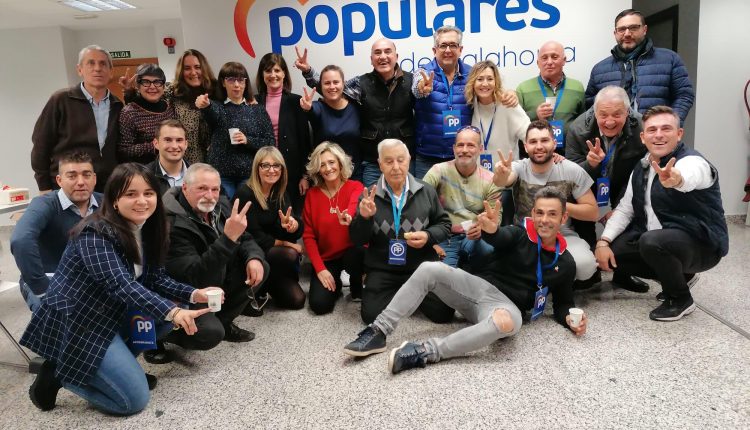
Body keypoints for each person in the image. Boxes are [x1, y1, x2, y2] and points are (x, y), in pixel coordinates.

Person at [20, 163, 221, 415]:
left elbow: (156, 278)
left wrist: (194, 294)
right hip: (80, 321)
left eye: (148, 193)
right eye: (131, 194)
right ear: (114, 199)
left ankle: (115, 370)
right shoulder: (94, 233)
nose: (142, 201)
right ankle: (60, 372)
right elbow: (121, 285)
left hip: (112, 312)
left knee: (168, 314)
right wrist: (174, 311)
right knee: (132, 401)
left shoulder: (149, 228)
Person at [343, 187, 586, 374]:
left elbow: (564, 302)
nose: (544, 220)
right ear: (532, 214)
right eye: (540, 213)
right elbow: (499, 237)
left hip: (506, 307)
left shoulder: (565, 262)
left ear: (564, 217)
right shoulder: (519, 234)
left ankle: (425, 352)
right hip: (477, 289)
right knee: (429, 268)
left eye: (552, 214)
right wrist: (491, 229)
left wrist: (570, 319)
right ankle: (378, 330)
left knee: (504, 323)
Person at [595, 106, 728, 321]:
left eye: (666, 128)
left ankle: (680, 299)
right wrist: (603, 242)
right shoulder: (641, 166)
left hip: (702, 245)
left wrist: (677, 179)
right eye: (652, 130)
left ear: (679, 134)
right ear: (643, 137)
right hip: (661, 238)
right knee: (614, 253)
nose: (658, 135)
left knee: (652, 241)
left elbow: (693, 174)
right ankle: (682, 276)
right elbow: (625, 209)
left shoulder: (693, 161)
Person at [349, 139, 453, 324]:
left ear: (409, 160)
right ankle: (407, 294)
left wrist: (428, 236)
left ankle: (406, 293)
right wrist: (364, 218)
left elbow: (444, 225)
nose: (396, 167)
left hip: (420, 267)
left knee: (444, 313)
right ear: (380, 164)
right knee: (370, 316)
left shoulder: (426, 190)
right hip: (383, 268)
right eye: (389, 161)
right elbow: (357, 239)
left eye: (400, 160)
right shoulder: (368, 197)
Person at [164, 163, 268, 342]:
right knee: (210, 333)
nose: (210, 196)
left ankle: (225, 322)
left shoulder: (221, 205)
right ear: (185, 188)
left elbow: (245, 238)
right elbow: (194, 275)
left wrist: (254, 258)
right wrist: (228, 239)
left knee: (260, 266)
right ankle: (162, 335)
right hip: (187, 291)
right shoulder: (171, 222)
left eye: (215, 189)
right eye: (202, 188)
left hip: (215, 276)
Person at [295, 38, 415, 187]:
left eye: (387, 52)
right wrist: (308, 71)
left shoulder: (412, 81)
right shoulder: (361, 83)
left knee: (407, 200)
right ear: (371, 59)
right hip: (372, 163)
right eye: (378, 53)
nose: (383, 56)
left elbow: (424, 96)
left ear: (396, 56)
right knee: (372, 201)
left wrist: (424, 90)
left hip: (404, 160)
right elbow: (333, 89)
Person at [493, 120, 599, 283]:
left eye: (544, 140)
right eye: (533, 142)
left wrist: (558, 206)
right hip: (525, 234)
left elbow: (593, 213)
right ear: (525, 146)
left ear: (554, 143)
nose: (539, 146)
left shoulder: (571, 170)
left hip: (561, 233)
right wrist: (501, 173)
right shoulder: (519, 167)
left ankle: (557, 280)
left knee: (586, 266)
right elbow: (502, 180)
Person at [565, 86, 647, 286]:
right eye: (603, 115)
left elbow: (640, 171)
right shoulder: (578, 128)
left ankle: (622, 273)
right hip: (588, 185)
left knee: (627, 217)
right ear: (595, 111)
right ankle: (591, 272)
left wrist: (619, 208)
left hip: (624, 182)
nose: (610, 121)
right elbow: (571, 175)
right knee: (584, 218)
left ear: (627, 112)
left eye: (617, 115)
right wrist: (590, 164)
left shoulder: (641, 128)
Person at [412, 26, 516, 178]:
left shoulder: (472, 74)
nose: (448, 50)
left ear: (460, 49)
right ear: (435, 50)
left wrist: (511, 93)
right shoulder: (423, 73)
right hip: (427, 157)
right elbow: (416, 88)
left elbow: (490, 90)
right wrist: (422, 89)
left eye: (453, 45)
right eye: (443, 45)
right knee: (425, 194)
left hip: (463, 156)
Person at [11, 151, 101, 311]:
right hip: (50, 278)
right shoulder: (44, 205)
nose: (81, 182)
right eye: (72, 176)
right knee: (53, 315)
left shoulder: (105, 203)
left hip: (91, 280)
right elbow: (21, 240)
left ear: (94, 178)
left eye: (86, 175)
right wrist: (42, 288)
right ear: (59, 180)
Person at [31, 45, 122, 193]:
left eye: (103, 64)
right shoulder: (61, 100)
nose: (97, 68)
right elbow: (41, 145)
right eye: (91, 63)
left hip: (106, 187)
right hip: (67, 186)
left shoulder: (117, 105)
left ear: (111, 71)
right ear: (80, 70)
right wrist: (44, 187)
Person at [585, 9, 695, 124]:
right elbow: (590, 104)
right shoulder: (599, 69)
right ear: (615, 33)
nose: (627, 34)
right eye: (622, 29)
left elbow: (684, 95)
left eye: (633, 28)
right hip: (615, 133)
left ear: (644, 29)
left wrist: (670, 124)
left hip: (654, 132)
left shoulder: (669, 59)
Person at [235, 146, 306, 311]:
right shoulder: (245, 193)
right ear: (257, 168)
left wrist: (293, 226)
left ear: (282, 169)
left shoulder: (280, 192)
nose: (272, 170)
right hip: (252, 255)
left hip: (274, 259)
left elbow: (294, 228)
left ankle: (265, 285)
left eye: (276, 165)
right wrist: (287, 244)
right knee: (289, 253)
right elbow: (254, 236)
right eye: (265, 165)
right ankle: (253, 287)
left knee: (297, 300)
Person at [122, 50, 220, 164]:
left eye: (197, 67)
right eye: (187, 68)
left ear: (204, 68)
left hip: (210, 159)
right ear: (181, 71)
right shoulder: (173, 91)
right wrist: (129, 91)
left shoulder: (216, 92)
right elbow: (148, 97)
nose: (193, 72)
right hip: (174, 159)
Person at [422, 126, 501, 269]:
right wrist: (430, 242)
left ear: (480, 149)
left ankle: (473, 270)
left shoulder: (491, 179)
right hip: (445, 237)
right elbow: (420, 203)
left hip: (475, 237)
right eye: (460, 145)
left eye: (471, 145)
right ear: (454, 149)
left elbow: (496, 217)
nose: (464, 150)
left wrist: (484, 228)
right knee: (443, 277)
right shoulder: (438, 171)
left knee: (489, 250)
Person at [196, 62, 274, 198]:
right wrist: (205, 105)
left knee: (247, 209)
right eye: (231, 80)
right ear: (223, 82)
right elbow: (211, 113)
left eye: (240, 80)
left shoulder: (258, 110)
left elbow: (270, 143)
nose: (236, 85)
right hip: (221, 175)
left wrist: (247, 140)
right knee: (224, 209)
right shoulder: (217, 107)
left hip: (249, 174)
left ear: (245, 83)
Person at [302, 142, 365, 314]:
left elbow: (354, 203)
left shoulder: (355, 186)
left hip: (351, 254)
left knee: (358, 253)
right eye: (322, 164)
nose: (328, 168)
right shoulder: (312, 195)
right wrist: (320, 269)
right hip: (328, 258)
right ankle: (335, 284)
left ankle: (357, 283)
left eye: (331, 162)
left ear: (340, 163)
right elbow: (308, 236)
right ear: (317, 169)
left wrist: (348, 215)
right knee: (319, 305)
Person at [254, 53, 311, 213]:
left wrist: (305, 176)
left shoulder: (296, 101)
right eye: (268, 71)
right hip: (263, 171)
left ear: (284, 73)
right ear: (262, 75)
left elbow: (304, 140)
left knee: (291, 217)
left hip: (291, 172)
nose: (273, 75)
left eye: (277, 70)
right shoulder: (254, 102)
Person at [516, 41, 586, 154]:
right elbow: (517, 127)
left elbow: (583, 125)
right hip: (536, 156)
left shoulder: (577, 87)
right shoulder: (523, 89)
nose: (549, 62)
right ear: (538, 62)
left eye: (554, 57)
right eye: (544, 58)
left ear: (564, 60)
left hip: (569, 156)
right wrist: (536, 116)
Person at [299, 65, 362, 181]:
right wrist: (308, 109)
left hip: (354, 175)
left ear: (343, 84)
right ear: (321, 86)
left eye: (336, 82)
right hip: (326, 176)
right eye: (327, 83)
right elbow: (312, 111)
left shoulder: (356, 107)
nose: (332, 87)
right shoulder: (317, 108)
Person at [467, 61, 530, 168]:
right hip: (478, 174)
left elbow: (529, 135)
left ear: (496, 82)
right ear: (473, 82)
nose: (485, 84)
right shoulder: (470, 106)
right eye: (480, 79)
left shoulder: (508, 104)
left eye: (490, 79)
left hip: (507, 173)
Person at [118, 64, 175, 164]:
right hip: (143, 170)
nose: (152, 87)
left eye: (157, 82)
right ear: (138, 86)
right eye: (146, 82)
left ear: (163, 85)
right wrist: (155, 146)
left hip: (171, 165)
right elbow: (124, 151)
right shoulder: (129, 112)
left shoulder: (169, 107)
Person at [145, 119, 190, 195]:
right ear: (156, 143)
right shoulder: (144, 176)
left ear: (186, 144)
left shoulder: (198, 175)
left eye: (179, 140)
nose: (174, 146)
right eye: (168, 140)